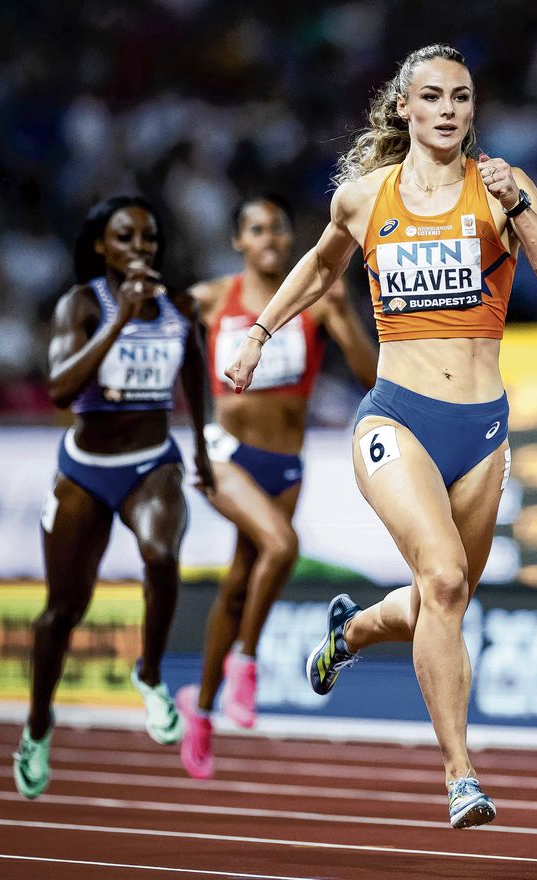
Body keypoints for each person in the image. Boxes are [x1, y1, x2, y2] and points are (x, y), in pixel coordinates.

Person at [224, 44, 537, 828]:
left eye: (461, 96)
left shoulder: (505, 188)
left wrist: (517, 209)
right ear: (404, 109)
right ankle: (461, 775)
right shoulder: (363, 198)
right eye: (433, 96)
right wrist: (259, 333)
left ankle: (349, 631)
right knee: (446, 580)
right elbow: (320, 269)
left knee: (435, 602)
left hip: (483, 430)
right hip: (396, 420)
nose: (449, 109)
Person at [14, 196, 215, 799]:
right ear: (101, 246)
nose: (140, 248)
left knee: (161, 554)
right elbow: (58, 388)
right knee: (62, 611)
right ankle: (37, 725)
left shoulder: (177, 308)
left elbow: (195, 374)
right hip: (85, 469)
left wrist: (201, 450)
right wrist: (120, 320)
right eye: (125, 238)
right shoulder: (81, 304)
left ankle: (150, 674)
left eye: (149, 238)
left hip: (152, 464)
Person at [175, 194, 378, 779]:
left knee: (241, 581)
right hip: (225, 454)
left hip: (286, 464)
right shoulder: (215, 300)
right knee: (283, 546)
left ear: (290, 241)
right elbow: (159, 324)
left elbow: (369, 375)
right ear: (240, 242)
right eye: (256, 230)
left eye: (277, 230)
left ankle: (204, 708)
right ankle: (245, 661)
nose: (267, 239)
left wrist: (341, 313)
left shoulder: (314, 302)